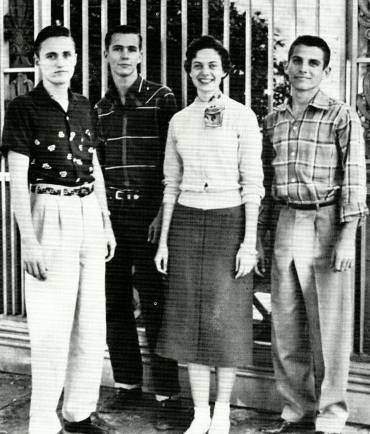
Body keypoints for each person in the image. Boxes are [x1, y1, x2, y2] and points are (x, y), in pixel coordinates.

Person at [1, 25, 116, 434]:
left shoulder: (85, 106)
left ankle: (78, 413)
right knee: (52, 326)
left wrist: (104, 221)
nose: (60, 63)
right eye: (51, 56)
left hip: (87, 212)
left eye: (67, 55)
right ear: (37, 61)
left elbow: (95, 167)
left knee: (90, 322)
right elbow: (17, 177)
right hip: (49, 211)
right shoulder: (22, 108)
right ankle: (42, 423)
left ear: (76, 60)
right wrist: (28, 239)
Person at [154, 35, 264, 434]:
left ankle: (222, 412)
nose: (205, 72)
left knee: (226, 320)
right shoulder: (179, 121)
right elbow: (171, 183)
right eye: (197, 65)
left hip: (228, 223)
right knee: (189, 320)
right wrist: (165, 240)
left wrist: (248, 244)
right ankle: (200, 412)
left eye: (212, 65)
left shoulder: (242, 117)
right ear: (188, 70)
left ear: (225, 71)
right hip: (185, 224)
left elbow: (253, 184)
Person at [259, 35, 368, 434]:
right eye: (297, 61)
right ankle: (295, 412)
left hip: (327, 223)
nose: (304, 68)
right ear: (287, 66)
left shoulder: (341, 116)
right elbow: (266, 184)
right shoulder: (273, 120)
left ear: (325, 70)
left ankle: (330, 417)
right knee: (285, 325)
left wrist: (347, 235)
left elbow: (355, 179)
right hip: (287, 220)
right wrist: (259, 235)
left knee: (329, 328)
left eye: (313, 63)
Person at [94, 24, 180, 428]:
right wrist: (103, 219)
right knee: (113, 304)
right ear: (107, 54)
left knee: (156, 305)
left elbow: (173, 165)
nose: (124, 56)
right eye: (117, 49)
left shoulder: (163, 99)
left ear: (142, 55)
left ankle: (167, 395)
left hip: (150, 217)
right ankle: (127, 386)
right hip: (111, 219)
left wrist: (162, 215)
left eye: (132, 49)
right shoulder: (100, 109)